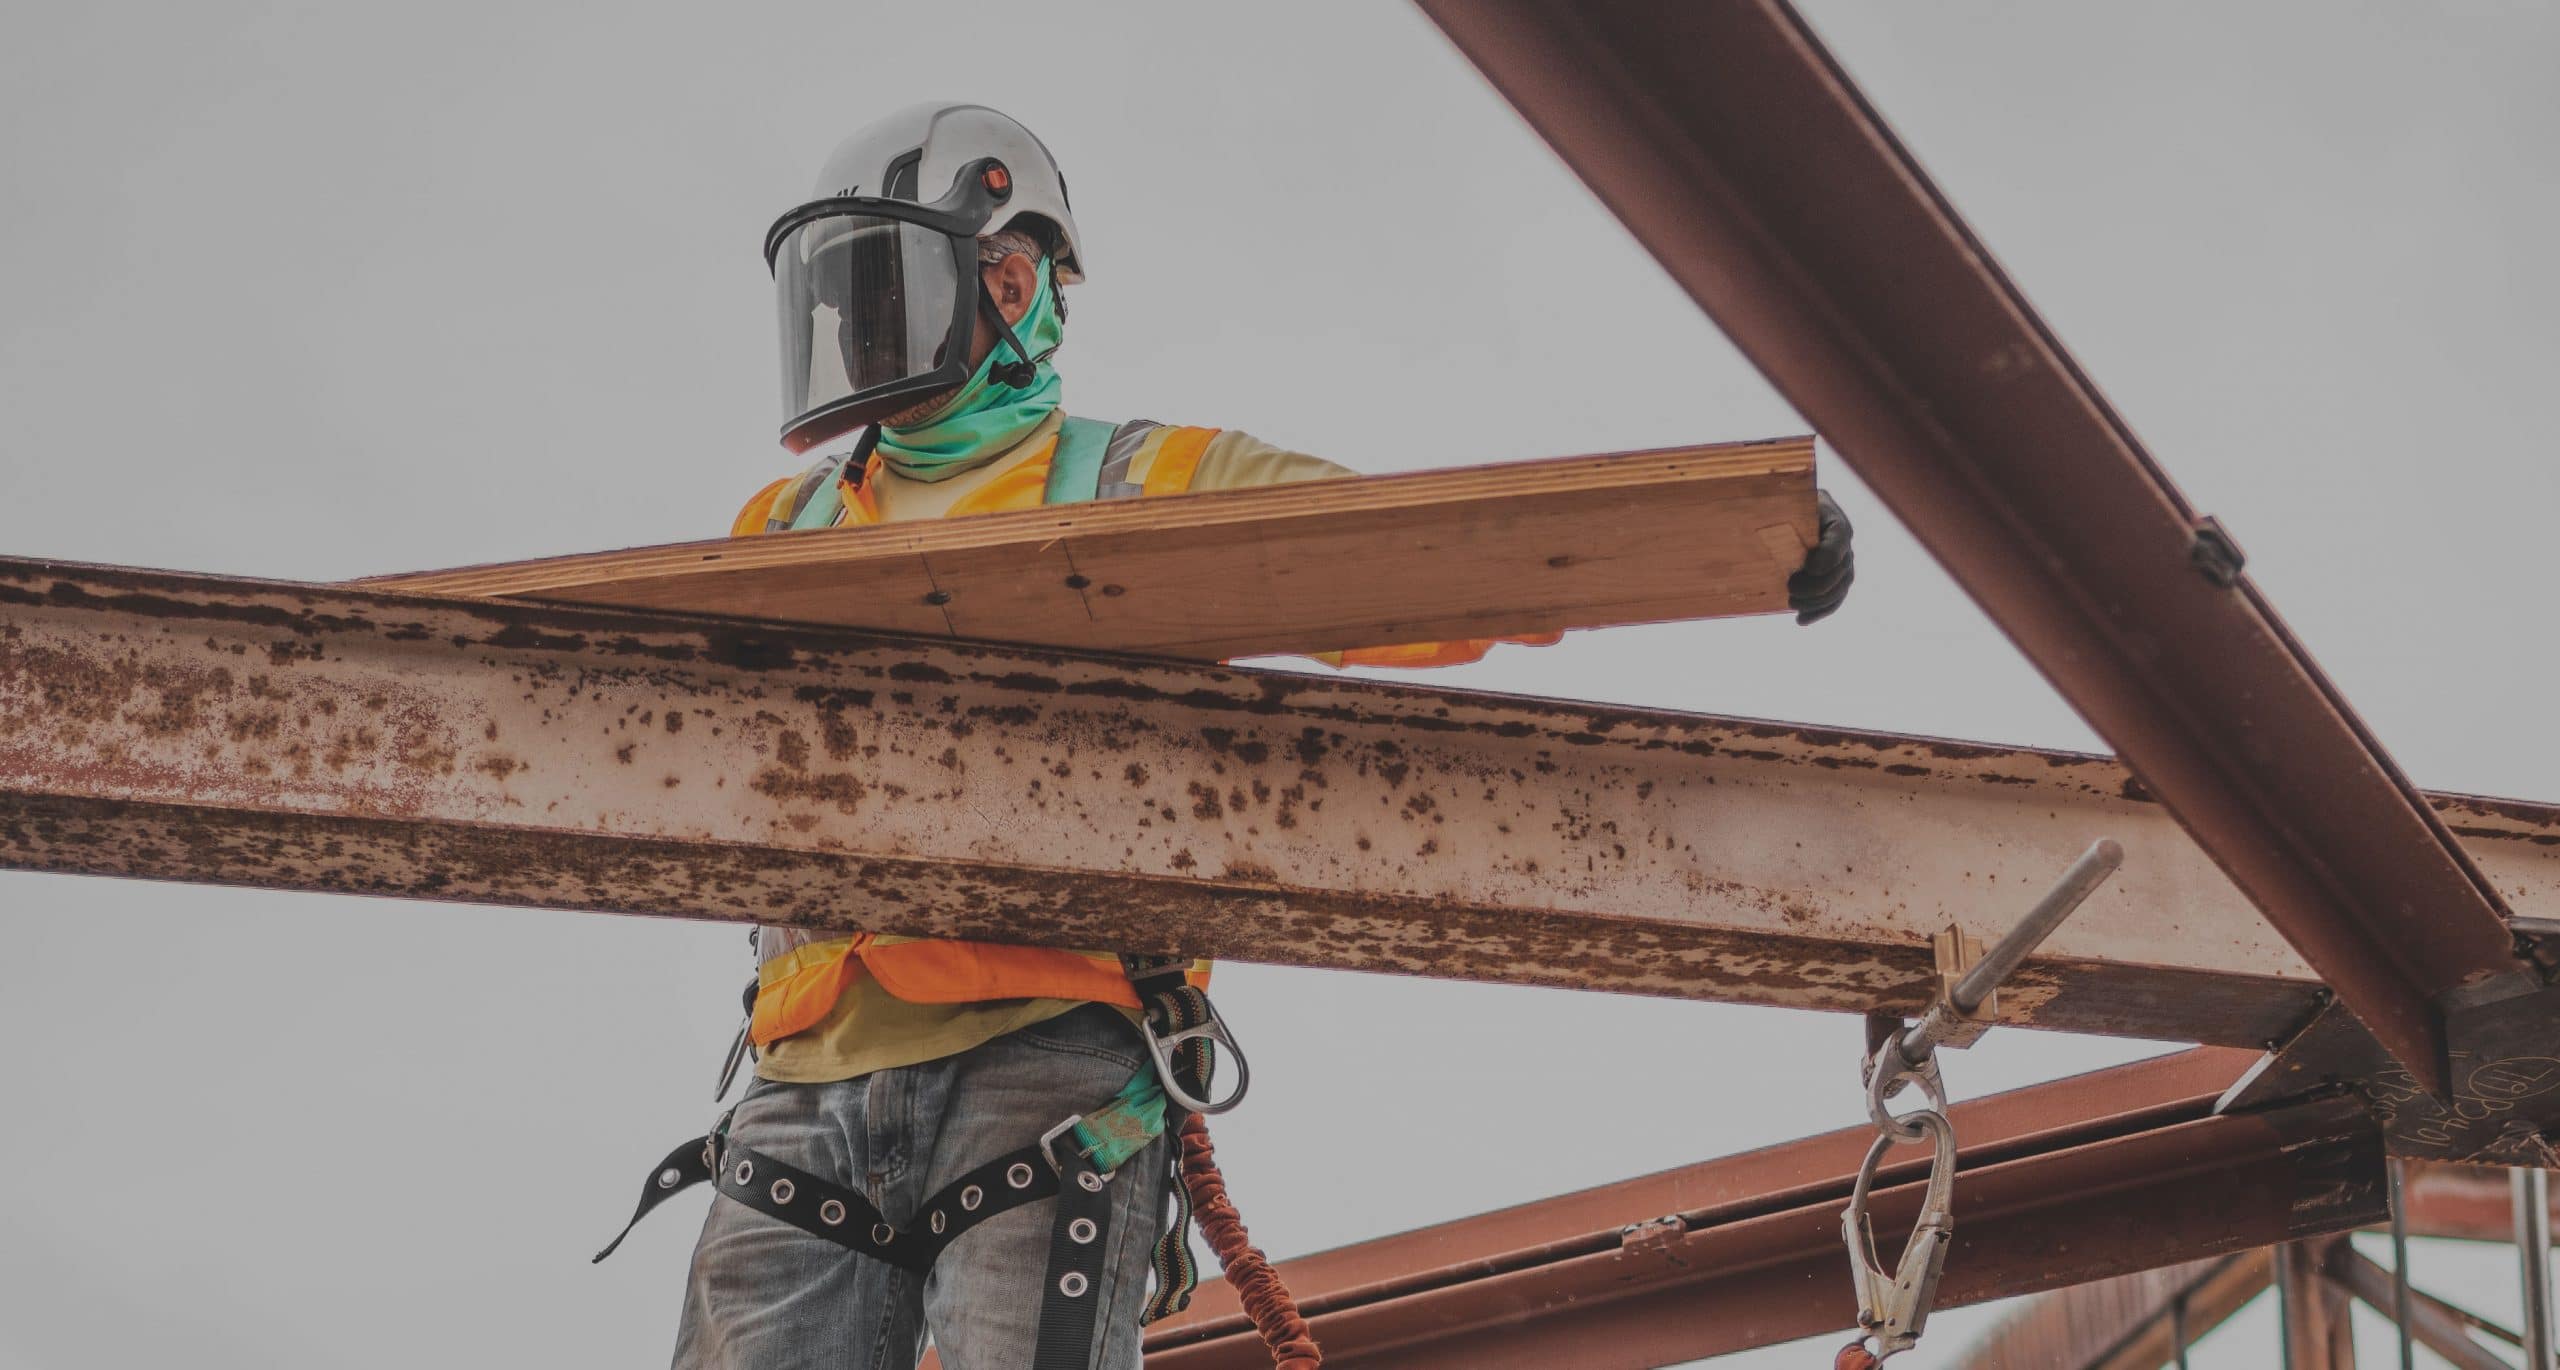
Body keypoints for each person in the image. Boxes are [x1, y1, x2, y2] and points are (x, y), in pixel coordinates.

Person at [660, 101, 1854, 1370]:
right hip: (800, 1075)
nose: (860, 333)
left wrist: (1732, 537)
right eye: (846, 301)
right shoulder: (782, 521)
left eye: (884, 287)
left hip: (1040, 1062)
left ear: (1007, 280)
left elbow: (1425, 561)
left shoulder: (1145, 482)